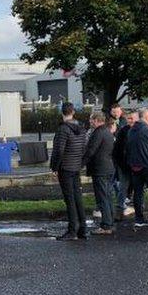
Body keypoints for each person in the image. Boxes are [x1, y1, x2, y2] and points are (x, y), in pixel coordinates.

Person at [50, 103, 87, 240]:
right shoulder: (82, 128)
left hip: (65, 166)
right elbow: (84, 148)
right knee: (77, 197)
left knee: (69, 199)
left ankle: (72, 230)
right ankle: (82, 228)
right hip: (76, 165)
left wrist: (54, 167)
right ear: (73, 112)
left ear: (62, 113)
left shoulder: (63, 129)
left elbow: (59, 150)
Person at [83, 111, 116, 235]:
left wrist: (81, 163)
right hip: (108, 168)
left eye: (91, 119)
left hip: (100, 169)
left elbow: (91, 150)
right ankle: (110, 222)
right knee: (108, 196)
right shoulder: (107, 132)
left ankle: (106, 225)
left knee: (102, 198)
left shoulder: (98, 133)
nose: (90, 121)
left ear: (97, 120)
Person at [112, 111, 138, 220]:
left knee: (138, 187)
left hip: (137, 165)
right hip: (124, 164)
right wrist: (120, 163)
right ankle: (119, 208)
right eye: (128, 118)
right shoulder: (123, 131)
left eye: (132, 118)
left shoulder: (140, 130)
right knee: (123, 187)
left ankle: (138, 208)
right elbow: (117, 149)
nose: (130, 121)